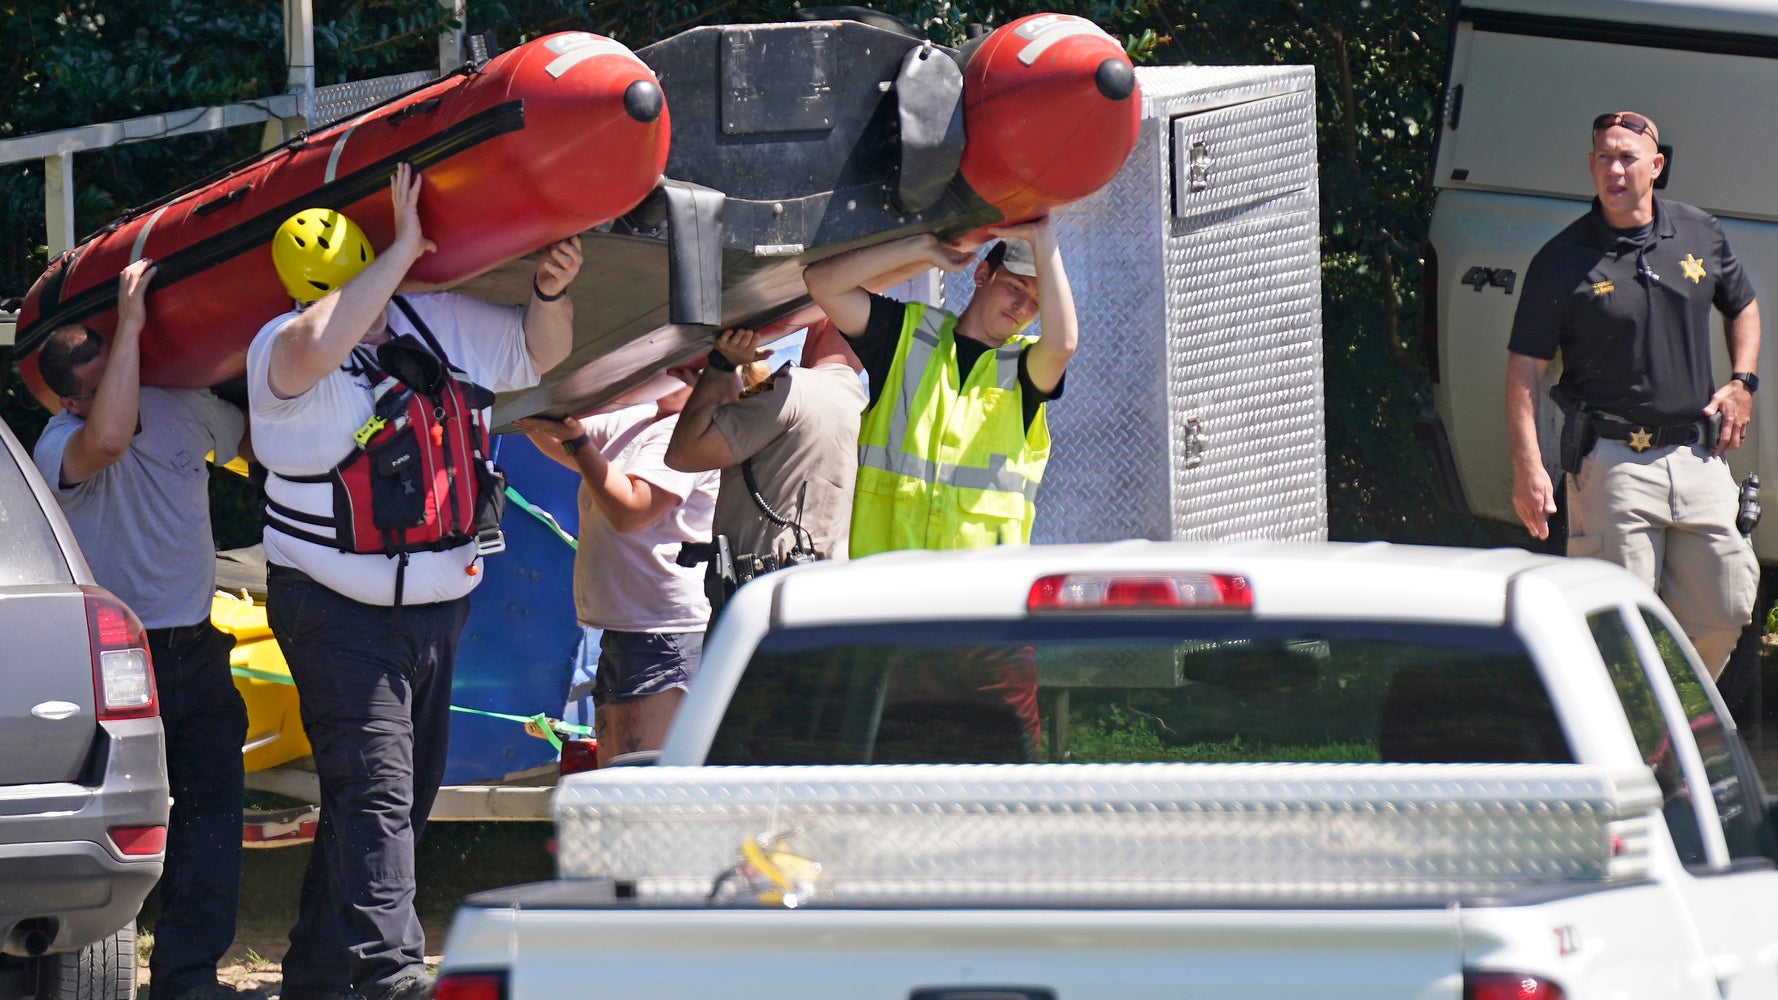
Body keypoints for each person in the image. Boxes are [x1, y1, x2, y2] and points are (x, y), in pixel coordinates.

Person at [247, 163, 579, 1000]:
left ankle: (319, 977)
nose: (369, 315)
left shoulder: (430, 323)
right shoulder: (279, 355)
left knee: (398, 798)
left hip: (438, 612)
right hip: (335, 612)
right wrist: (396, 255)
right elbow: (323, 341)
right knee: (378, 793)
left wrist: (548, 291)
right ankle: (392, 977)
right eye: (351, 291)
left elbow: (542, 354)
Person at [31, 259, 254, 1000]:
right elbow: (111, 441)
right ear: (69, 398)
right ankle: (93, 967)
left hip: (194, 646)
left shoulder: (182, 406)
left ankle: (188, 978)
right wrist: (130, 325)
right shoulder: (59, 444)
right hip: (119, 663)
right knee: (119, 820)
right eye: (100, 382)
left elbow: (256, 443)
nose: (121, 392)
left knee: (215, 813)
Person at [1506, 110, 1760, 679]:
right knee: (1618, 629)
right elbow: (1525, 368)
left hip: (1699, 456)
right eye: (1603, 157)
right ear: (1591, 165)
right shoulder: (1562, 259)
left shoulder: (1698, 232)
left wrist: (1742, 383)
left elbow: (1742, 304)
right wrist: (1528, 464)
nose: (1613, 169)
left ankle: (1678, 728)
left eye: (1627, 157)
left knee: (1726, 606)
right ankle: (1629, 749)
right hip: (1613, 463)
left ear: (1657, 166)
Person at [802, 216, 1078, 555]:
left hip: (973, 597)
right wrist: (918, 249)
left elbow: (1062, 344)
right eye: (1015, 287)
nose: (1021, 307)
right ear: (982, 275)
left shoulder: (1024, 368)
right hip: (883, 587)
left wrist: (1042, 237)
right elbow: (821, 283)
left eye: (1036, 303)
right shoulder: (906, 333)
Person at [514, 365, 717, 768]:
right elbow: (564, 443)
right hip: (631, 625)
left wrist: (576, 441)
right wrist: (530, 412)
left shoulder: (686, 432)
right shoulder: (642, 418)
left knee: (641, 777)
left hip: (661, 630)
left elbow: (631, 510)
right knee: (619, 767)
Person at [662, 321, 867, 614]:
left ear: (821, 325)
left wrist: (720, 366)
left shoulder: (792, 387)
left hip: (761, 611)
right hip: (824, 605)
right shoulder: (864, 408)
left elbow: (684, 454)